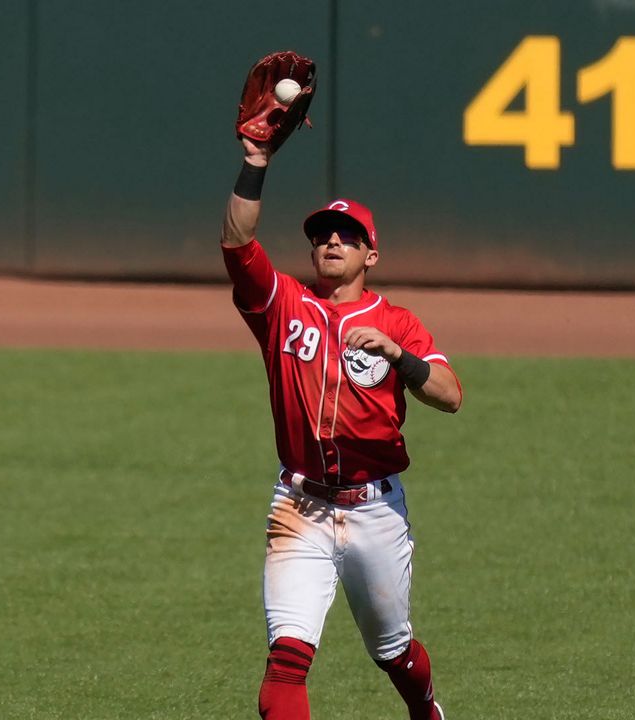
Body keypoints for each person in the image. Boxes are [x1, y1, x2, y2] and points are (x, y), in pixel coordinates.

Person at [221, 135, 463, 720]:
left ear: (370, 254)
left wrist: (400, 358)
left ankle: (426, 710)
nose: (332, 240)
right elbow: (237, 241)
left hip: (375, 509)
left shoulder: (398, 322)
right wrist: (255, 164)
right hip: (299, 506)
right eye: (323, 234)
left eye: (347, 235)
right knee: (287, 660)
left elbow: (450, 396)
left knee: (394, 650)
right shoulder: (282, 305)